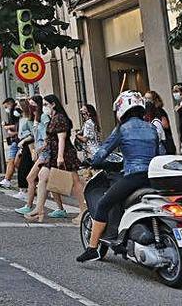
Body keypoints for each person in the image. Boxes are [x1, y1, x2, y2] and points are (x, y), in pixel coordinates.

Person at [77, 91, 161, 262]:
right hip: (153, 176)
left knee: (103, 204)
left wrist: (91, 161)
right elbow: (159, 152)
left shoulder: (123, 129)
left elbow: (103, 151)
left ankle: (92, 248)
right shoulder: (151, 127)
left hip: (133, 177)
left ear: (122, 109)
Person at [27, 94, 83, 223]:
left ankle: (83, 210)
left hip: (63, 154)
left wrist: (60, 157)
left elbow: (61, 138)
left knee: (75, 182)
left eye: (46, 104)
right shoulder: (53, 118)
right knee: (42, 177)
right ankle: (39, 209)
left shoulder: (59, 118)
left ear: (53, 104)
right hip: (53, 153)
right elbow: (51, 138)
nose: (44, 107)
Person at [0, 98, 22, 189]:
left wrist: (7, 127)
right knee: (13, 161)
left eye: (6, 106)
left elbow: (18, 125)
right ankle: (7, 180)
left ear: (10, 103)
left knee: (13, 161)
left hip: (17, 140)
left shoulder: (15, 111)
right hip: (16, 139)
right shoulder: (15, 111)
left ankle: (7, 180)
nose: (6, 109)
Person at [15, 98, 36, 197]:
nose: (17, 108)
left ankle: (24, 190)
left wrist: (25, 142)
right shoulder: (22, 118)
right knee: (21, 165)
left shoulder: (28, 119)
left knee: (24, 166)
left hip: (28, 144)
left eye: (19, 105)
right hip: (24, 144)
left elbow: (32, 134)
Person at [144, 90, 176, 155]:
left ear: (154, 100)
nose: (147, 101)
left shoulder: (159, 111)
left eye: (149, 99)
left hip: (165, 144)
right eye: (145, 98)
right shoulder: (148, 112)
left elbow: (165, 125)